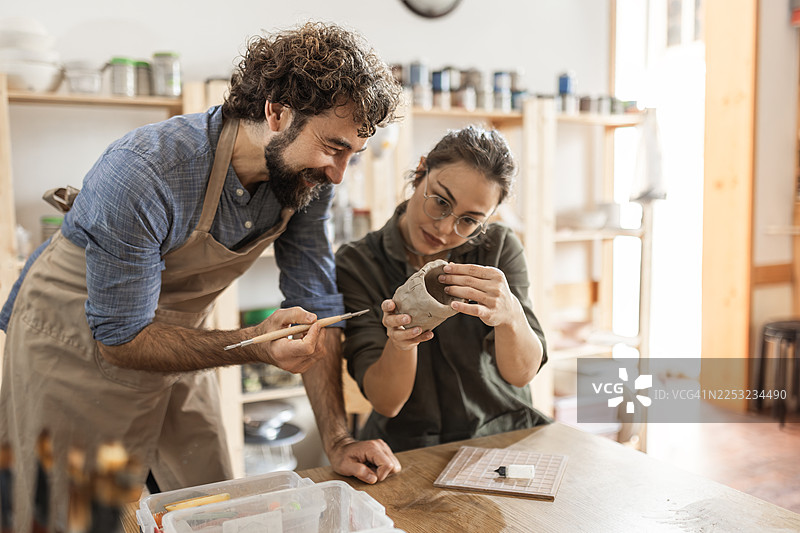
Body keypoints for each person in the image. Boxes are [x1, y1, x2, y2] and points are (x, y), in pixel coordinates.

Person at [0, 22, 402, 531]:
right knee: (80, 512)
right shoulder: (145, 171)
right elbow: (121, 339)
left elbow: (318, 306)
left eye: (353, 154)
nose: (339, 173)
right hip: (76, 342)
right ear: (276, 112)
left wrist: (338, 439)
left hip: (184, 335)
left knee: (214, 506)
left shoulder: (307, 179)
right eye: (333, 147)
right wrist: (254, 345)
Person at [335, 126, 551, 452]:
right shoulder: (359, 263)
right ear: (422, 170)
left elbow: (521, 375)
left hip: (500, 435)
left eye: (469, 221)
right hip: (408, 447)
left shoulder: (497, 248)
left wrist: (510, 316)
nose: (445, 228)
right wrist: (401, 344)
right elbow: (386, 403)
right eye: (440, 201)